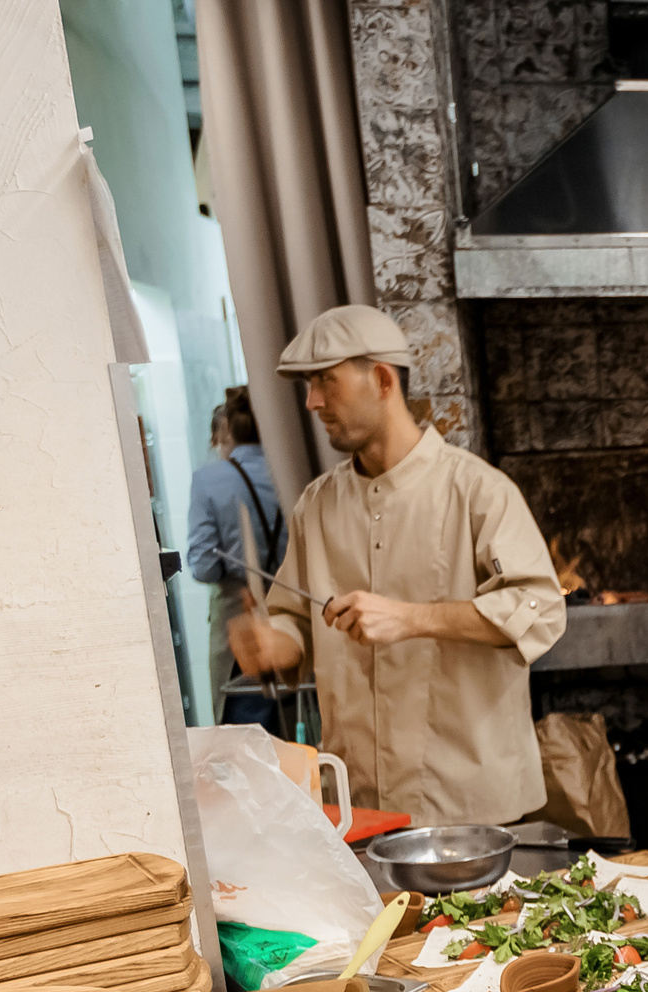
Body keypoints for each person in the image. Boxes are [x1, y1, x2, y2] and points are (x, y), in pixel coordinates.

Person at [228, 306, 566, 825]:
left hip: (472, 807)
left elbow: (538, 609)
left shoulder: (479, 490)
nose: (312, 401)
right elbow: (296, 618)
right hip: (359, 803)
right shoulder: (315, 505)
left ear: (383, 380)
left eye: (326, 381)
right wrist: (274, 643)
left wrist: (410, 618)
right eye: (309, 386)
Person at [185, 388, 283, 723]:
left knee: (249, 737)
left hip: (239, 630)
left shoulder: (208, 480)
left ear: (225, 433)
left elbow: (204, 567)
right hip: (295, 620)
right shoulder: (291, 468)